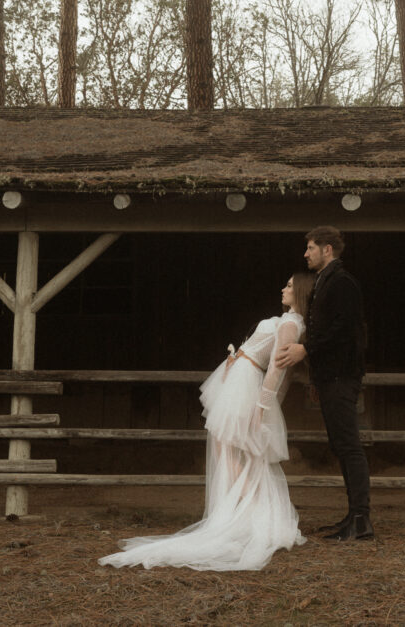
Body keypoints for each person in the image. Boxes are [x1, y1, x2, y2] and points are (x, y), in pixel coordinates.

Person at [98, 273, 315, 571]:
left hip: (247, 382)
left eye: (289, 285)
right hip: (241, 375)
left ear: (301, 291)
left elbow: (280, 369)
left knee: (231, 449)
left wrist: (264, 405)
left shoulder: (291, 324)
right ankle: (241, 511)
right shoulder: (288, 320)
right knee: (227, 448)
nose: (283, 288)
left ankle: (246, 512)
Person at [275, 226, 372, 541]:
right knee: (341, 445)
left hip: (342, 375)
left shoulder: (343, 283)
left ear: (327, 249)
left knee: (349, 445)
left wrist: (306, 349)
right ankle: (353, 517)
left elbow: (344, 329)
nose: (306, 253)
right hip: (330, 376)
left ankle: (361, 520)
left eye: (311, 248)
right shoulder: (326, 282)